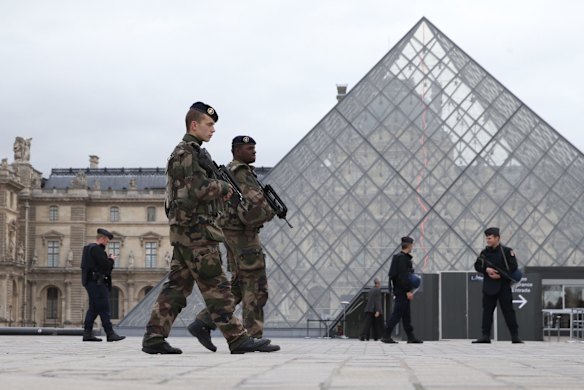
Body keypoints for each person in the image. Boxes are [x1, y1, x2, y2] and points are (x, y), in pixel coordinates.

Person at [141, 102, 271, 355]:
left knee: (177, 287)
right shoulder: (188, 153)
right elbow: (197, 189)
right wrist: (224, 188)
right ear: (194, 125)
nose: (213, 130)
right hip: (196, 230)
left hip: (185, 229)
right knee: (217, 285)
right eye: (209, 125)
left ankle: (154, 338)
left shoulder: (188, 151)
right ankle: (237, 338)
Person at [189, 135, 279, 352]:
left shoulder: (230, 172)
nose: (254, 152)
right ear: (237, 151)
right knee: (255, 287)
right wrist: (270, 212)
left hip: (231, 234)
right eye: (249, 148)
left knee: (238, 287)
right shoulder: (241, 174)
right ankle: (253, 336)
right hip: (243, 237)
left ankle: (203, 322)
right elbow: (253, 211)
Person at [472, 227, 523, 344]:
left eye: (489, 238)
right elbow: (477, 266)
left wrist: (499, 274)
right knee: (487, 312)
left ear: (497, 238)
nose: (487, 240)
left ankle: (515, 336)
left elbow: (513, 267)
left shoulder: (506, 252)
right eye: (487, 238)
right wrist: (487, 269)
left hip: (503, 286)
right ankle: (485, 336)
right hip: (489, 286)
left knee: (508, 311)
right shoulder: (484, 253)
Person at [81, 228, 125, 342]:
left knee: (93, 309)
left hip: (90, 282)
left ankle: (87, 333)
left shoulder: (87, 249)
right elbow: (105, 266)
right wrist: (111, 260)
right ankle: (110, 333)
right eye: (106, 241)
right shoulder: (97, 249)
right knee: (104, 308)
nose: (107, 243)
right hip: (98, 283)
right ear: (101, 239)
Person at [381, 236, 423, 344]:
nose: (413, 246)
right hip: (401, 291)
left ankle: (410, 336)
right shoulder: (402, 259)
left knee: (406, 315)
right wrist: (408, 291)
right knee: (397, 313)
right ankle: (386, 335)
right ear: (409, 245)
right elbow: (402, 277)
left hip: (400, 289)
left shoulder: (398, 257)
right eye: (412, 245)